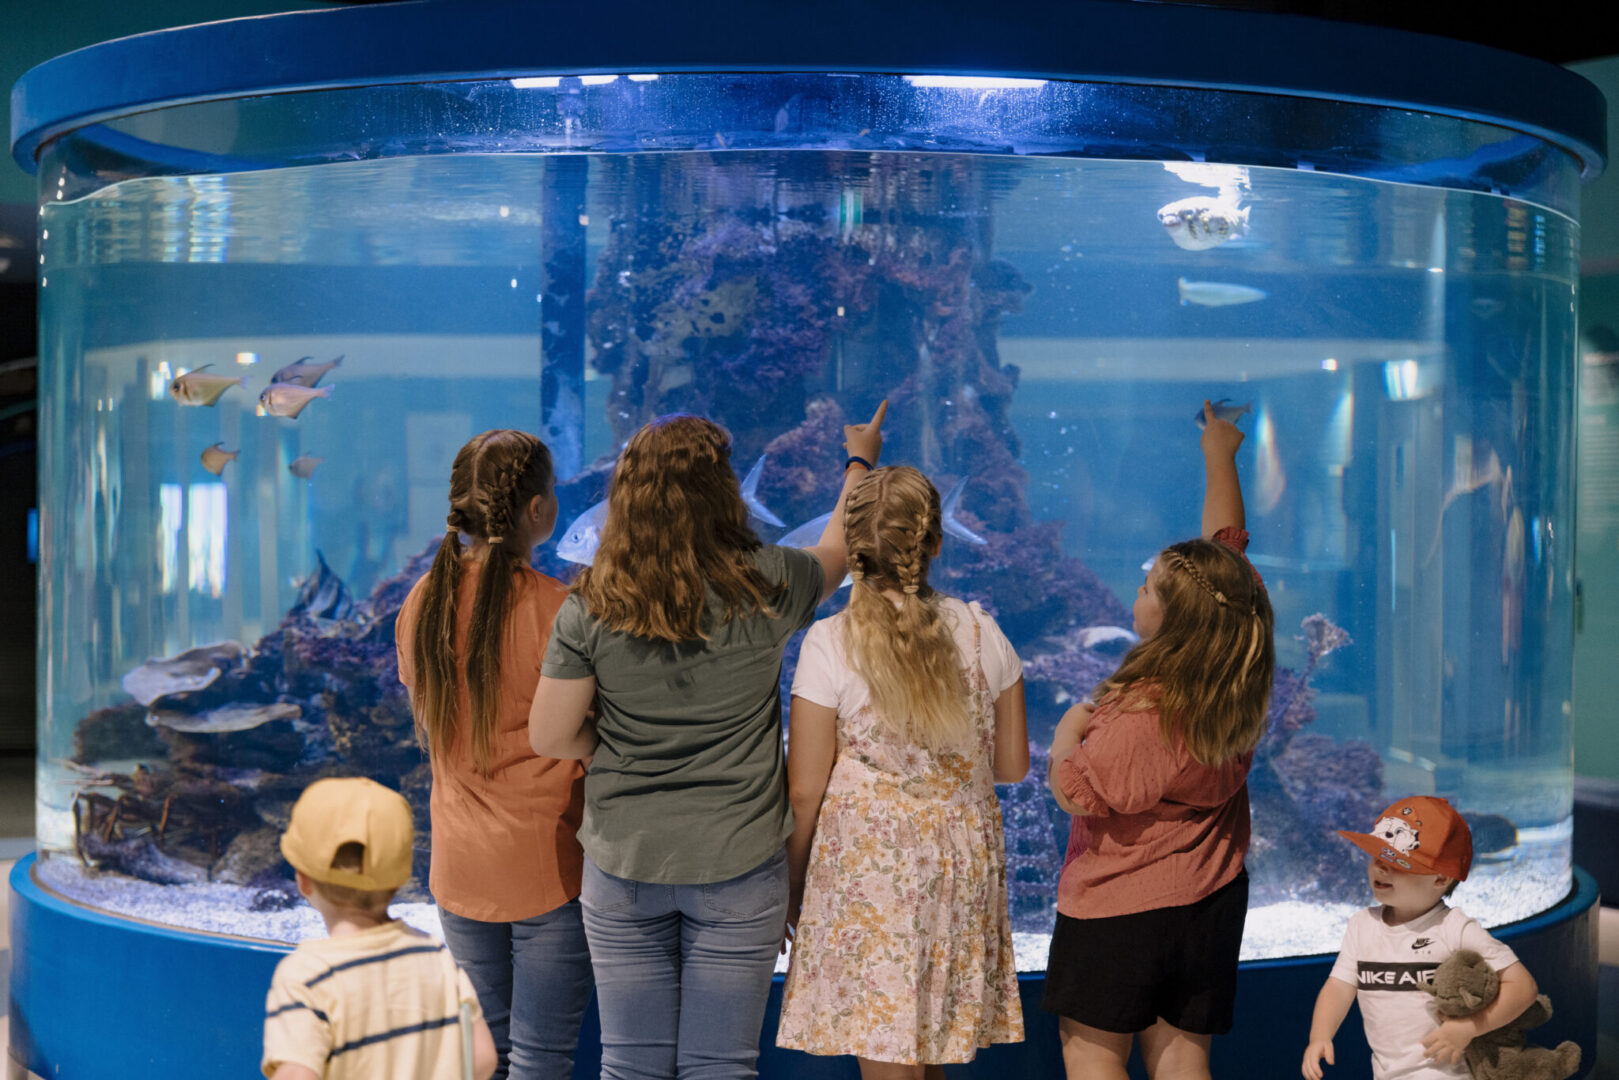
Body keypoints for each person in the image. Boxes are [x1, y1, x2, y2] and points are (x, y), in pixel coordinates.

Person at [528, 402, 887, 1080]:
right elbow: (839, 554)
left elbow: (549, 735)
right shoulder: (769, 580)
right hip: (739, 862)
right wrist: (858, 463)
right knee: (720, 1066)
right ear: (723, 490)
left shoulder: (592, 603)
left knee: (630, 1066)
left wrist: (605, 746)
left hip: (626, 860)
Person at [1043, 400, 1275, 1080]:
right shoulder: (1234, 675)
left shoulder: (1145, 710)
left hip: (1120, 906)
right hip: (1209, 900)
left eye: (1147, 587)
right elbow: (1224, 556)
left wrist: (1068, 731)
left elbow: (1079, 793)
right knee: (1182, 1062)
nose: (1136, 592)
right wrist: (1218, 453)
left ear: (1173, 617)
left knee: (1092, 1059)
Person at [775, 465, 1029, 1079]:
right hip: (960, 862)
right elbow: (1011, 766)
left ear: (852, 551)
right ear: (934, 543)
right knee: (926, 1047)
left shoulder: (830, 642)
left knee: (887, 1052)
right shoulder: (983, 633)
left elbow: (804, 789)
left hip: (867, 868)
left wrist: (791, 881)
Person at [394, 430, 593, 1080]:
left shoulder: (421, 603)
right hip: (548, 869)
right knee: (540, 1060)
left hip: (458, 869)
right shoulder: (560, 611)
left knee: (483, 1058)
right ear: (538, 509)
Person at [261, 776, 497, 1080]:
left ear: (303, 880)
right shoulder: (435, 955)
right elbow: (483, 1058)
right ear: (401, 880)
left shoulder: (307, 975)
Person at [1301, 796, 1539, 1080]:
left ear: (1440, 879)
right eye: (1377, 856)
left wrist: (1468, 1028)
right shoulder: (1362, 925)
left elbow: (1523, 986)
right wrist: (1320, 1036)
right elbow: (1339, 986)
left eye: (1397, 862)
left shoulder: (1454, 928)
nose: (1380, 867)